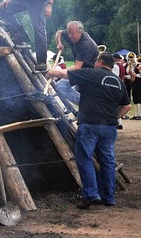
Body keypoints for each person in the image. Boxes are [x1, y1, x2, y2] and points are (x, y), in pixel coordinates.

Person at [46, 52, 131, 209]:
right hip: (109, 127)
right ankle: (108, 197)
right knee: (108, 161)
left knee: (85, 158)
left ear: (99, 62)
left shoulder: (91, 73)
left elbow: (64, 74)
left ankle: (91, 195)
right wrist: (113, 118)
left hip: (90, 124)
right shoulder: (119, 82)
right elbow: (127, 106)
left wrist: (49, 72)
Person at [51, 21, 99, 107]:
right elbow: (59, 32)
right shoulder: (72, 35)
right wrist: (59, 43)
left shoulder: (86, 44)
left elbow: (77, 67)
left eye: (72, 33)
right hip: (81, 71)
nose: (69, 36)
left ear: (80, 31)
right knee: (61, 87)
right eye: (68, 33)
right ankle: (81, 107)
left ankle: (88, 105)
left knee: (61, 86)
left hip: (89, 74)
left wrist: (56, 72)